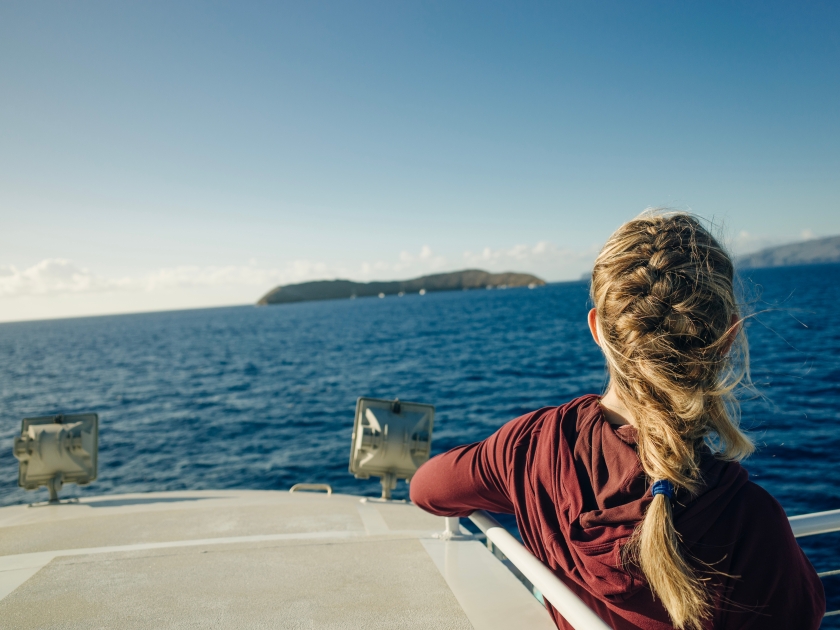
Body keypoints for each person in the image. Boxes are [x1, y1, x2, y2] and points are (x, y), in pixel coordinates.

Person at [410, 212, 825, 630]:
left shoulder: (531, 447)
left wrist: (524, 490)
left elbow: (427, 488)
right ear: (729, 337)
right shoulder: (749, 525)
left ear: (597, 330)